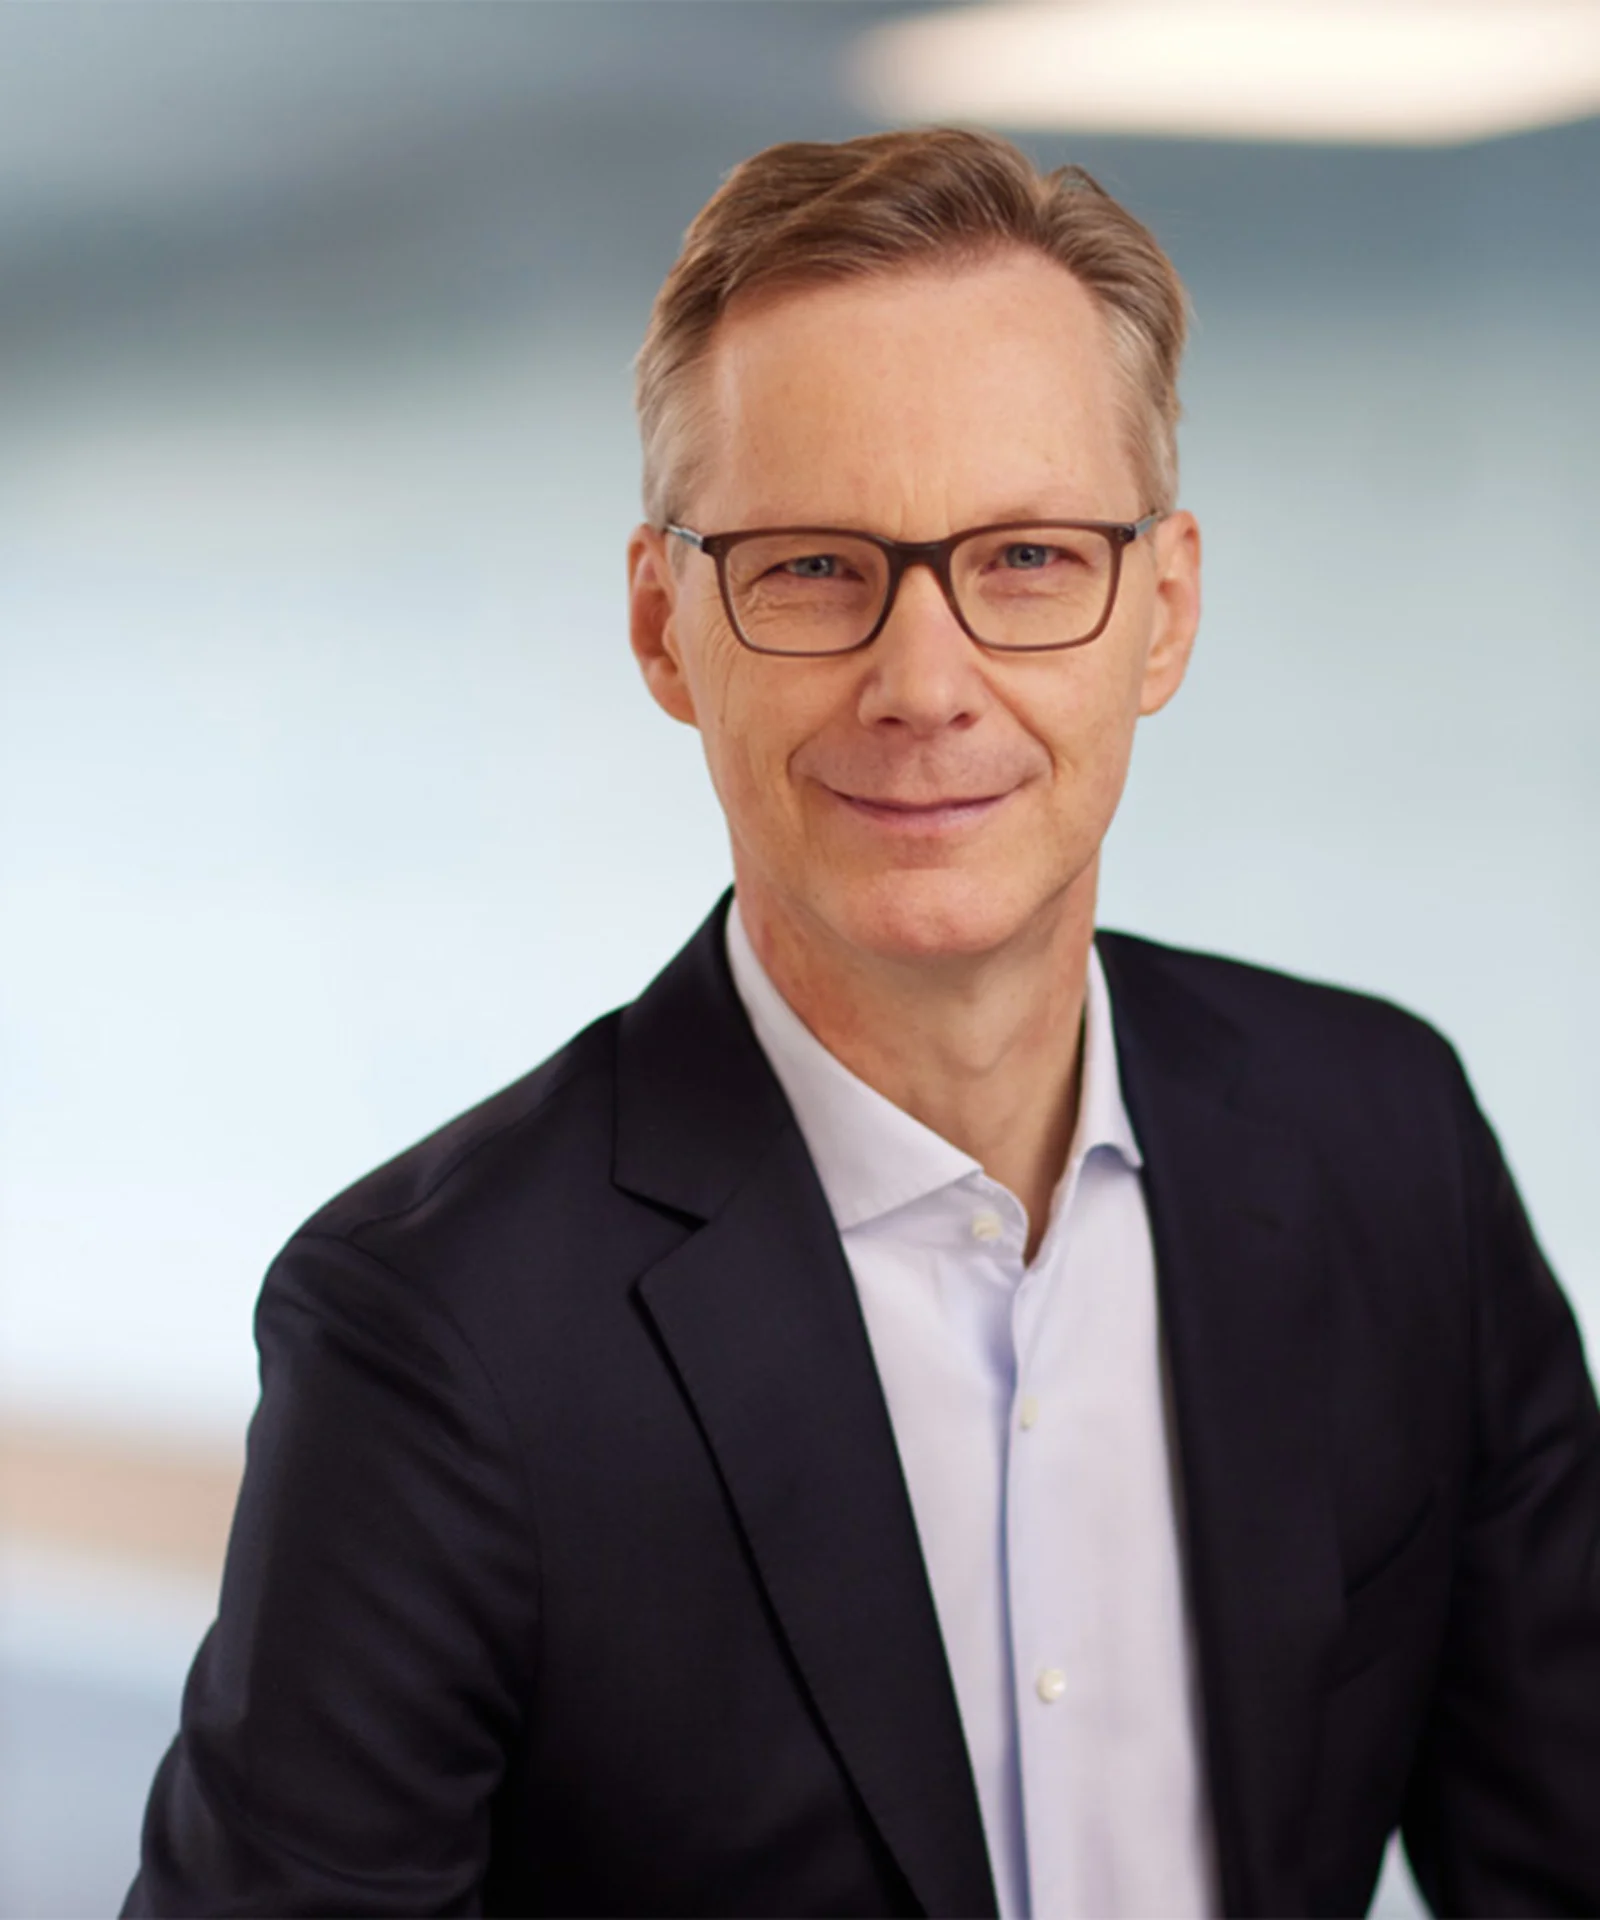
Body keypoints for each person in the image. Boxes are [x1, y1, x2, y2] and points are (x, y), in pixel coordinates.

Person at [125, 127, 1599, 1920]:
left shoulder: (1391, 1147)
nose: (924, 687)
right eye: (816, 569)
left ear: (1164, 613)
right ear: (668, 629)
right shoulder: (434, 1341)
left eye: (1032, 558)